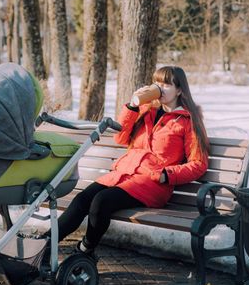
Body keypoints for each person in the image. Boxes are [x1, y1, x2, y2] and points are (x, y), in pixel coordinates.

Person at [52, 66, 210, 259]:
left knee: (101, 202)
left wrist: (166, 174)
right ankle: (44, 246)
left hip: (153, 183)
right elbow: (121, 138)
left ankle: (85, 250)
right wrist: (133, 107)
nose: (160, 88)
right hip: (124, 174)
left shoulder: (187, 121)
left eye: (166, 84)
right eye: (157, 83)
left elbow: (198, 163)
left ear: (179, 90)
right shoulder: (146, 111)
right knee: (81, 201)